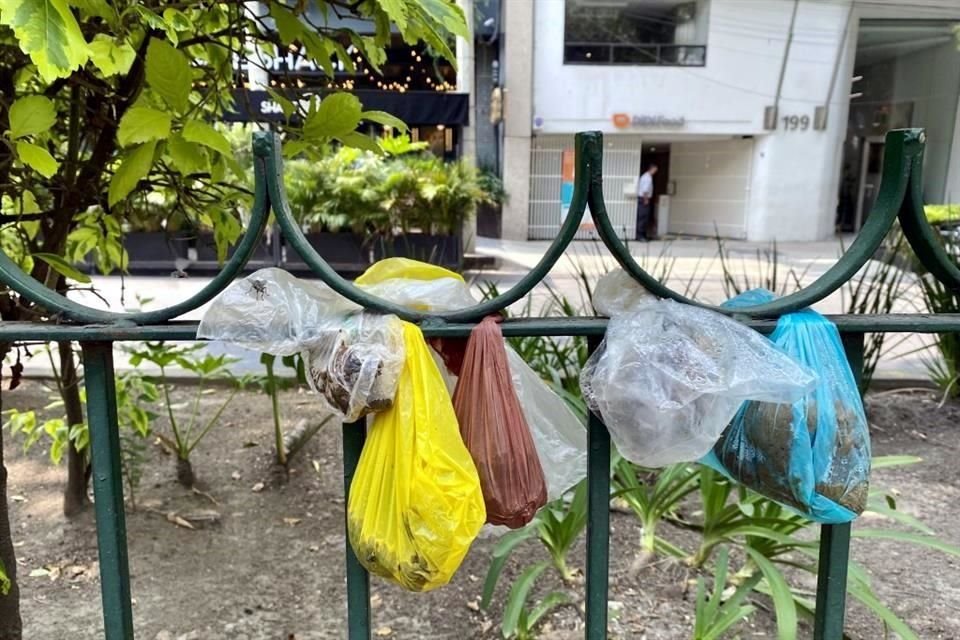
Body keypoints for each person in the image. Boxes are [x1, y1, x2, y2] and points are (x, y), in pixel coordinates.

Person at [635, 163, 658, 241]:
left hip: (643, 198)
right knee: (643, 217)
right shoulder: (648, 178)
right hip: (644, 199)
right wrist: (646, 199)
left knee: (644, 217)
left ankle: (643, 235)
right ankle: (640, 236)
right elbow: (645, 190)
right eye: (655, 170)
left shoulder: (645, 176)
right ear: (652, 169)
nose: (655, 172)